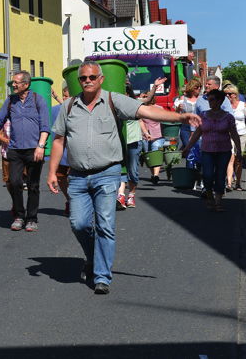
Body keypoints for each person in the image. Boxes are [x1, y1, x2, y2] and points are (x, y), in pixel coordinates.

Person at [46, 62, 202, 294]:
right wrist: (51, 172)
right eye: (83, 78)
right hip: (77, 176)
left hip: (107, 173)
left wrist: (179, 118)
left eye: (92, 77)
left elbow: (147, 111)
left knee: (105, 225)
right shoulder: (69, 106)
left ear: (100, 79)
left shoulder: (113, 100)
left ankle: (102, 276)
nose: (87, 81)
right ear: (79, 81)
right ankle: (92, 257)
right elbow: (58, 140)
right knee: (78, 224)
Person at [0, 70, 50, 233]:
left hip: (34, 150)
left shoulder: (37, 100)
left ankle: (31, 218)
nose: (13, 85)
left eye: (16, 83)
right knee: (14, 182)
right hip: (15, 150)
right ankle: (19, 216)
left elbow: (45, 126)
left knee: (33, 185)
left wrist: (41, 146)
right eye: (13, 83)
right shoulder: (10, 101)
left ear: (26, 84)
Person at [182, 90, 241, 212]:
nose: (210, 102)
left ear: (220, 101)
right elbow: (197, 133)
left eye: (212, 99)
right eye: (209, 100)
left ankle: (218, 202)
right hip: (207, 150)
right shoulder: (203, 115)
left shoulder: (228, 117)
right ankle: (210, 197)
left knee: (220, 176)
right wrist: (187, 147)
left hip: (223, 151)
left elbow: (234, 134)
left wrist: (239, 150)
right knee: (207, 176)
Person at [224, 84, 246, 191]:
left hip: (241, 134)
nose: (227, 96)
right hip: (228, 135)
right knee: (230, 157)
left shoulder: (243, 105)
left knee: (239, 159)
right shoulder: (224, 106)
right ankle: (228, 182)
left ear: (235, 95)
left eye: (229, 94)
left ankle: (238, 182)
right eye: (225, 94)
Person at [50, 87, 72, 214]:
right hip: (62, 152)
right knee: (60, 177)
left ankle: (77, 202)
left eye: (67, 96)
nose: (64, 98)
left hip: (74, 152)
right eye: (63, 96)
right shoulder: (59, 110)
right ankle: (69, 199)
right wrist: (56, 96)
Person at [139, 96, 166, 186]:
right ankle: (153, 174)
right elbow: (140, 121)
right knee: (148, 155)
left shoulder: (159, 108)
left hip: (158, 135)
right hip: (145, 135)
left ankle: (155, 175)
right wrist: (145, 133)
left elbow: (165, 120)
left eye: (148, 97)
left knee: (156, 154)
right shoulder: (141, 109)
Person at [174, 79, 201, 150]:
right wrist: (178, 109)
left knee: (199, 148)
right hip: (186, 128)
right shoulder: (183, 98)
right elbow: (176, 115)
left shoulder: (202, 99)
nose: (199, 89)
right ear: (191, 88)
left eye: (200, 87)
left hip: (199, 128)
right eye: (197, 87)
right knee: (189, 149)